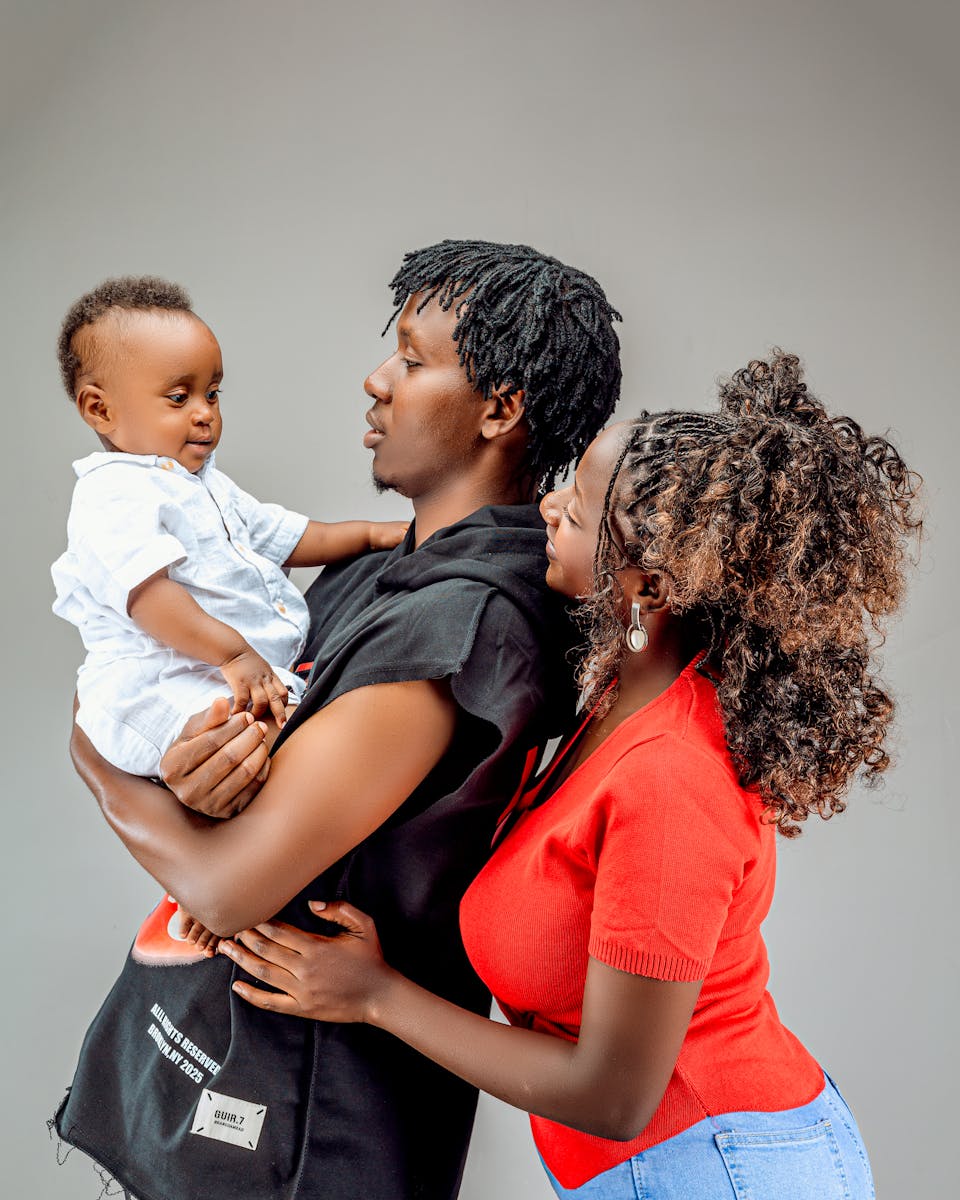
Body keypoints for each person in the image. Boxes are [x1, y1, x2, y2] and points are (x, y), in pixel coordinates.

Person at [217, 353, 920, 1200]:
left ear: (648, 586)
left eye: (577, 512)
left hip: (720, 1169)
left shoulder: (670, 777)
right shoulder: (616, 693)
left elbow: (615, 1096)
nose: (547, 507)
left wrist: (375, 997)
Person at [55, 240, 623, 1200]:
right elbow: (254, 775)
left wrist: (94, 750)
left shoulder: (465, 621)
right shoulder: (389, 565)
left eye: (411, 358)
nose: (375, 381)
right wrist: (204, 771)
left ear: (501, 409)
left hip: (303, 1133)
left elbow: (231, 888)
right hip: (224, 1075)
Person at [53, 276, 408, 779]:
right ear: (100, 408)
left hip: (231, 670)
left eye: (213, 393)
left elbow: (286, 534)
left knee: (295, 734)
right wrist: (234, 652)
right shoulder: (113, 494)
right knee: (243, 745)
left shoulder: (203, 485)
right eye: (179, 397)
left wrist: (371, 534)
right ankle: (205, 799)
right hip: (164, 683)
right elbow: (149, 598)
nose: (205, 414)